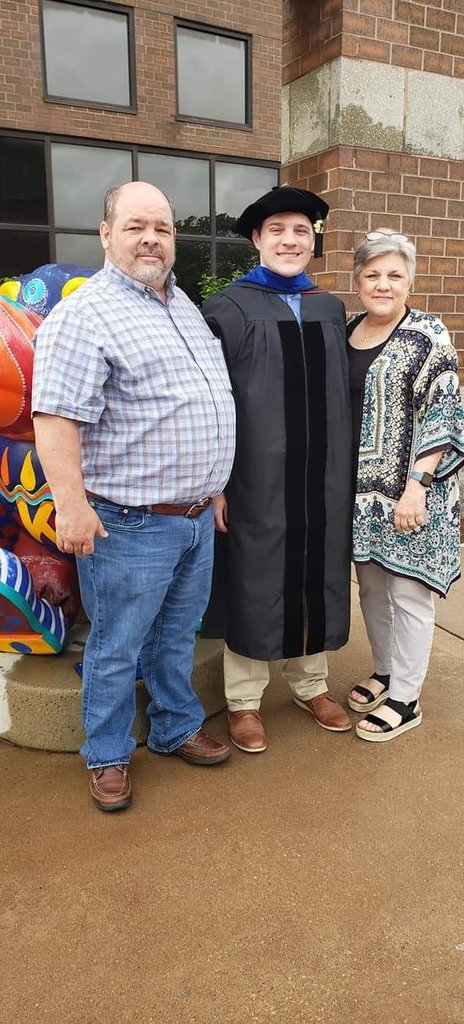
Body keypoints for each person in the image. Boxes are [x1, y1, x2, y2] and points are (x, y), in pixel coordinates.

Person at [32, 181, 236, 810]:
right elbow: (56, 418)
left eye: (163, 228)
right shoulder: (85, 314)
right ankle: (108, 754)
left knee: (175, 636)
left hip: (197, 517)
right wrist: (70, 504)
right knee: (117, 647)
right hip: (128, 524)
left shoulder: (182, 307)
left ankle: (176, 727)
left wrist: (216, 486)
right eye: (136, 226)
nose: (152, 238)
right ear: (106, 234)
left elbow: (201, 406)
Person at [202, 186, 353, 754]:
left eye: (300, 231)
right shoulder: (228, 309)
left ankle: (311, 685)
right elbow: (210, 403)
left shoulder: (328, 308)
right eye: (277, 231)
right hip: (255, 480)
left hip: (322, 479)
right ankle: (244, 701)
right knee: (254, 576)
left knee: (318, 572)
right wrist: (216, 483)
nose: (289, 240)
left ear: (313, 241)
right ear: (256, 240)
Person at [346, 228, 464, 742]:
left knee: (409, 592)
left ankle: (407, 698)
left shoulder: (427, 333)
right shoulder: (347, 329)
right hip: (360, 494)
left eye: (395, 275)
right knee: (372, 588)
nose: (383, 284)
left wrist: (418, 484)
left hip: (412, 492)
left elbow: (445, 409)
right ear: (357, 280)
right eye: (373, 274)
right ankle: (386, 670)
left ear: (410, 280)